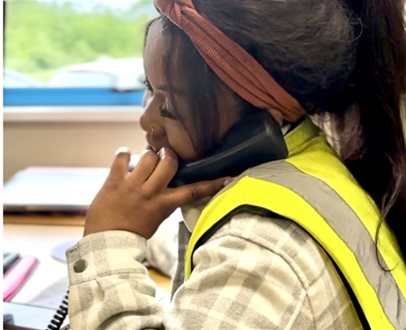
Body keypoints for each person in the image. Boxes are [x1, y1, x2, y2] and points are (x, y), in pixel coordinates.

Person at [66, 0, 406, 328]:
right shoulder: (307, 167)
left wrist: (108, 239)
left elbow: (249, 263)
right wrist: (138, 230)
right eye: (149, 89)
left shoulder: (260, 250)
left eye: (169, 106)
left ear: (257, 122)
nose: (146, 120)